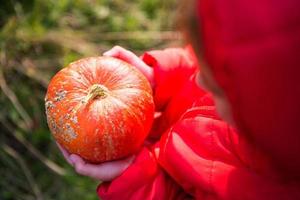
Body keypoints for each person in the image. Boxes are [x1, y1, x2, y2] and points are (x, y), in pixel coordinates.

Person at [57, 0, 300, 199]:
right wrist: (161, 75)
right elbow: (203, 58)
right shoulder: (253, 61)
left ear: (266, 123)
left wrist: (133, 180)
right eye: (207, 70)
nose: (200, 82)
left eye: (217, 88)